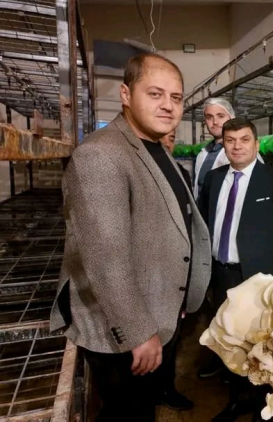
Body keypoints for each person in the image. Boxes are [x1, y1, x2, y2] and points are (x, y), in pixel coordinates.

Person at [49, 52, 212, 422]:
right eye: (155, 94)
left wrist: (178, 295)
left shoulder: (155, 149)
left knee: (141, 407)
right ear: (125, 94)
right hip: (123, 326)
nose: (168, 105)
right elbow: (106, 259)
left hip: (158, 307)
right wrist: (138, 333)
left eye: (176, 97)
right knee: (128, 412)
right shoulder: (101, 155)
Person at [197, 117, 273, 422]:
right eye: (230, 140)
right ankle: (236, 400)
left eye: (244, 140)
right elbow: (203, 224)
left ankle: (260, 407)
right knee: (228, 341)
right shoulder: (214, 179)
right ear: (223, 144)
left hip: (257, 278)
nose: (237, 146)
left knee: (259, 343)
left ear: (256, 143)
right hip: (221, 274)